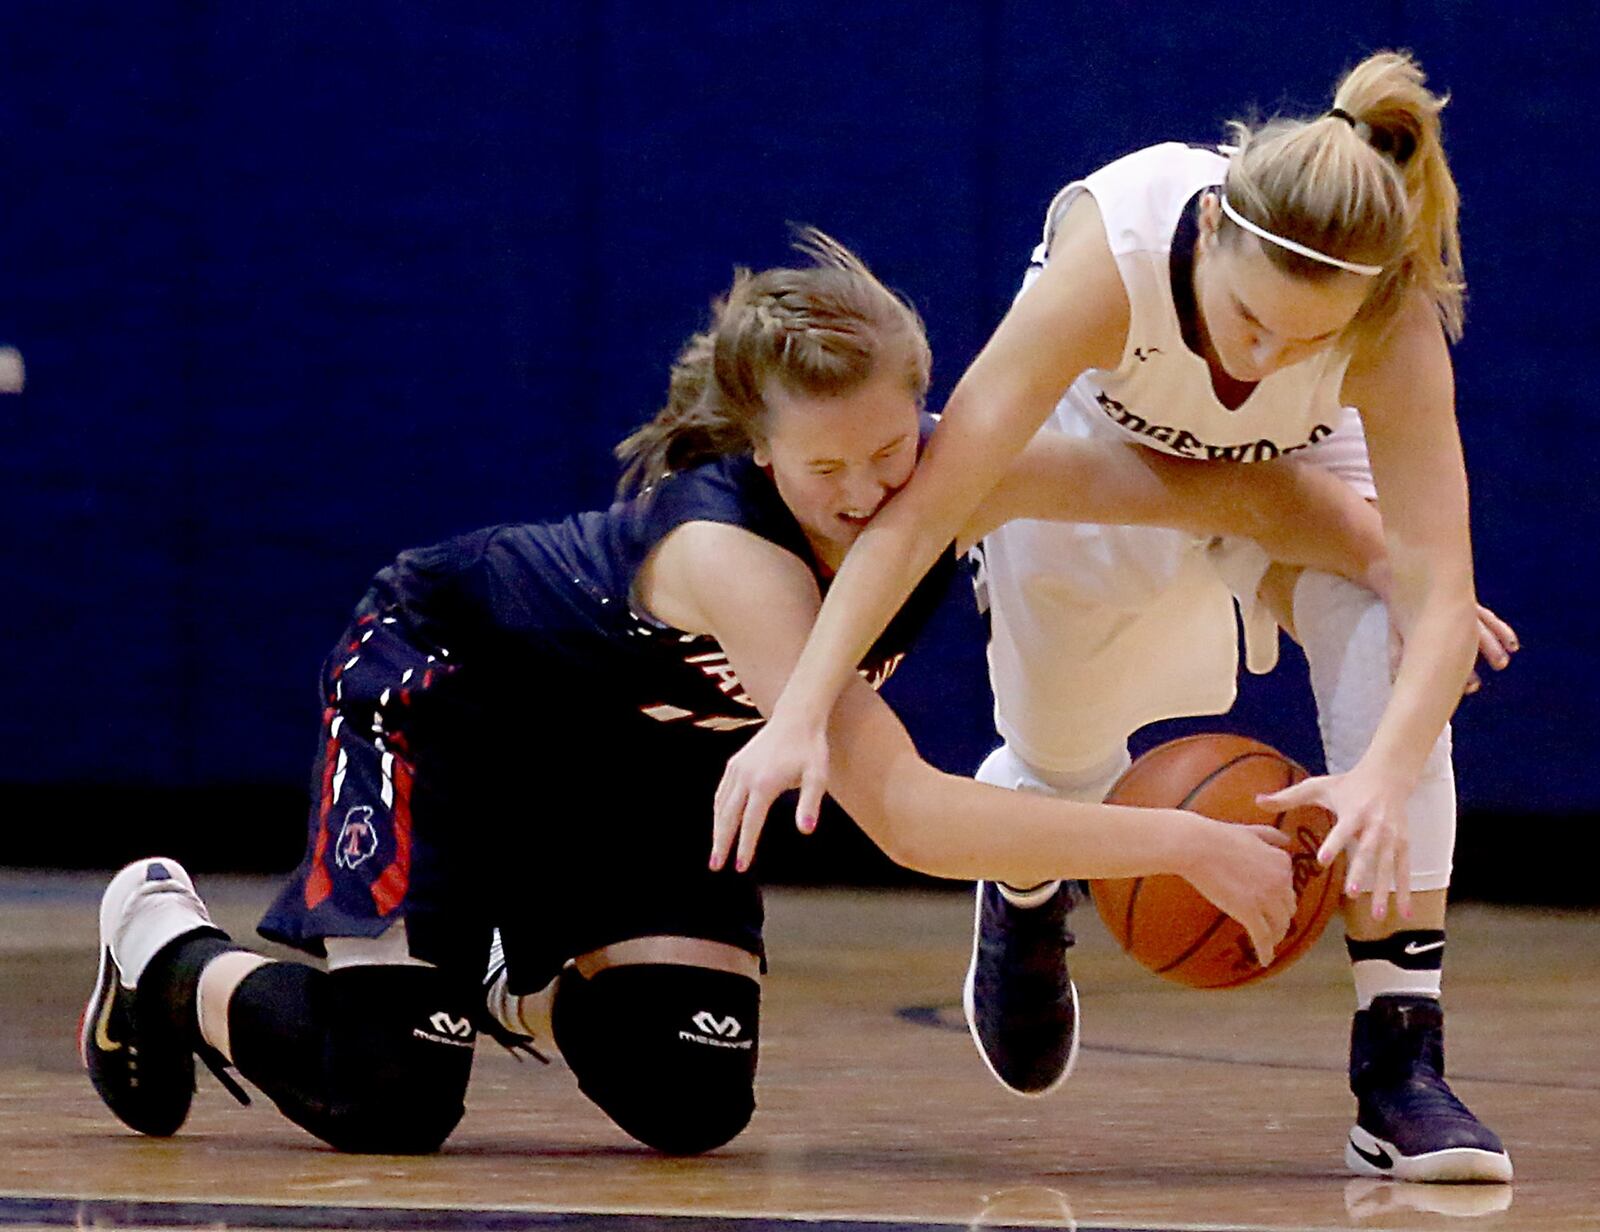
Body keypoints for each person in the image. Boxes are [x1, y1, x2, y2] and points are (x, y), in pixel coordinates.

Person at [83, 232, 1385, 1158]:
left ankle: (499, 976)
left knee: (688, 1095)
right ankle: (161, 947)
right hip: (452, 712)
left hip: (651, 767)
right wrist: (1177, 840)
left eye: (896, 446)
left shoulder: (939, 469)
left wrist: (1396, 562)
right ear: (762, 448)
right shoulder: (728, 555)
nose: (878, 490)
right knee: (392, 1092)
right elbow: (913, 818)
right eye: (831, 470)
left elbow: (1206, 488)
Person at [714, 55, 1517, 1183]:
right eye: (1247, 321)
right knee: (1061, 755)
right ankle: (1028, 873)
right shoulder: (1116, 254)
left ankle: (1400, 1065)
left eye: (1304, 343)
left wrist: (1381, 772)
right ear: (1213, 240)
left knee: (1396, 658)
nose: (1264, 358)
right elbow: (929, 501)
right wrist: (800, 708)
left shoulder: (1392, 320)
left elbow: (1441, 589)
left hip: (1300, 477)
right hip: (1095, 470)